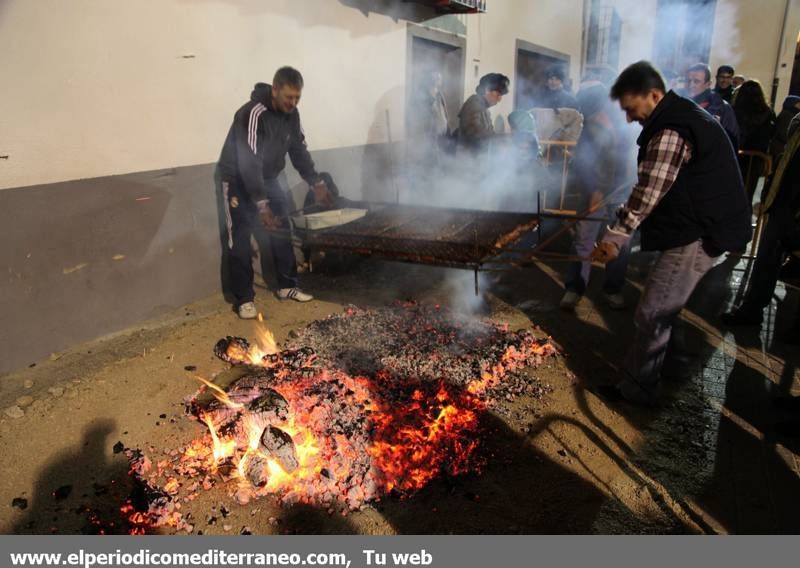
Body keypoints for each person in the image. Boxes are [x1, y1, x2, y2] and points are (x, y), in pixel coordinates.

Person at [592, 61, 751, 406]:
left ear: (653, 95)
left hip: (699, 232)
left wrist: (615, 237)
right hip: (705, 224)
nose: (629, 118)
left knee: (652, 311)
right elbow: (655, 181)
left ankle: (638, 390)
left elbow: (649, 192)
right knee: (666, 303)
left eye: (631, 109)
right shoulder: (683, 113)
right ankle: (675, 367)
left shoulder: (671, 128)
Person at [216, 66, 331, 319]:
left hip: (267, 178)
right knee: (240, 238)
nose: (293, 102)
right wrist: (261, 205)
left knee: (282, 228)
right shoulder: (253, 113)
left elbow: (298, 150)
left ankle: (287, 285)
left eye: (297, 97)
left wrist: (315, 181)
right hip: (236, 179)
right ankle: (244, 298)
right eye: (289, 97)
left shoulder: (293, 115)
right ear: (275, 90)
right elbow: (249, 162)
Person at [721, 115, 800, 332]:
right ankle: (751, 310)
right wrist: (769, 193)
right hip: (783, 206)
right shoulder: (798, 122)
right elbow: (785, 162)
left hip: (793, 210)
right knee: (766, 261)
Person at [560, 83, 632, 311]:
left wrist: (609, 190)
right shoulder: (590, 126)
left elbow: (630, 161)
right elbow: (583, 162)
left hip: (622, 194)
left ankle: (612, 288)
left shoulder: (628, 122)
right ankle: (574, 287)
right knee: (583, 239)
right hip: (592, 192)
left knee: (620, 243)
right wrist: (594, 191)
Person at [732, 80, 776, 201]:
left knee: (731, 191)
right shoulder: (768, 113)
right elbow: (771, 134)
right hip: (757, 158)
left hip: (735, 156)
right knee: (748, 193)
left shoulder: (734, 111)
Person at [685, 63, 740, 148]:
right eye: (688, 81)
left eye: (696, 81)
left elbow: (732, 140)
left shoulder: (721, 107)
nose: (691, 85)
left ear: (708, 84)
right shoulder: (681, 103)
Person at [458, 72, 510, 153]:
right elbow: (477, 136)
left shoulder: (484, 108)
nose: (499, 99)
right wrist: (505, 138)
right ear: (487, 90)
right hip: (469, 161)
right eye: (498, 94)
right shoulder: (473, 104)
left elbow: (490, 134)